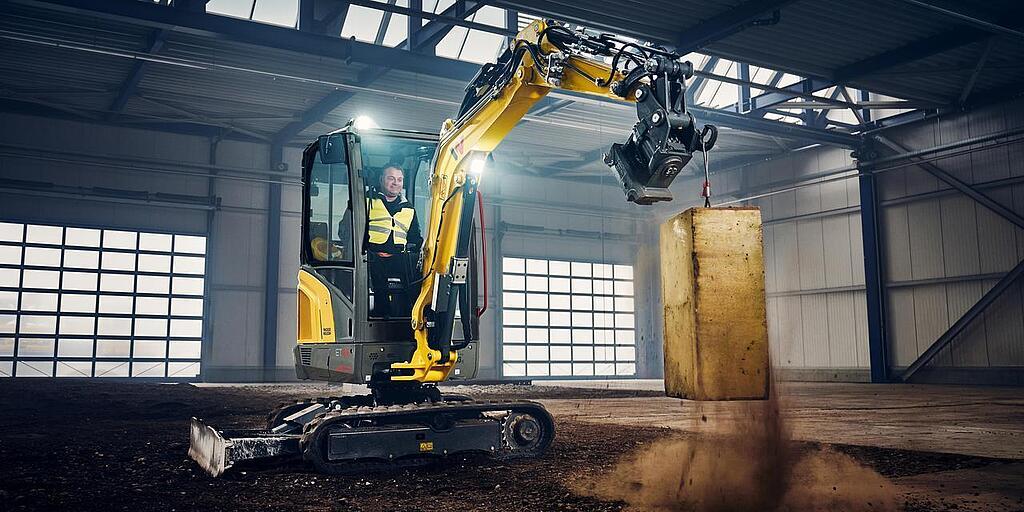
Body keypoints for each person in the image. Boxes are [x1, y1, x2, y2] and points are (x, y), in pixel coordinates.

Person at [366, 165, 422, 318]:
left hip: (398, 258)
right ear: (381, 180)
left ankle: (413, 316)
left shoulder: (409, 209)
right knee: (379, 289)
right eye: (391, 178)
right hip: (371, 258)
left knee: (417, 277)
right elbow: (348, 230)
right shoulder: (366, 201)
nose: (395, 183)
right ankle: (380, 317)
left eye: (399, 179)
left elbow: (415, 238)